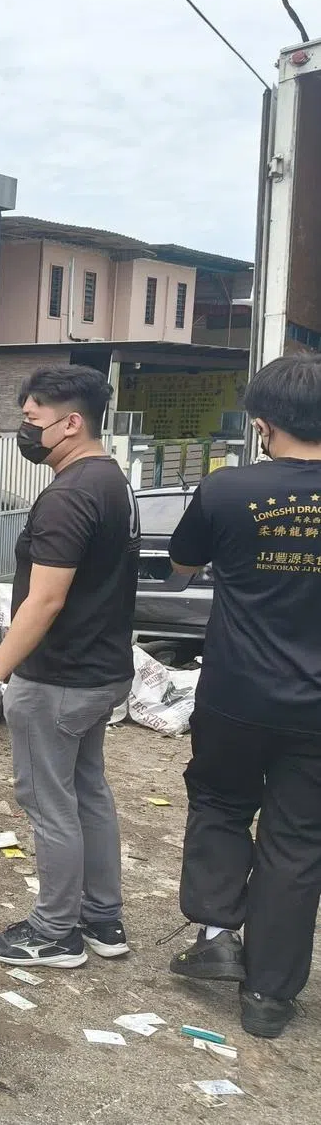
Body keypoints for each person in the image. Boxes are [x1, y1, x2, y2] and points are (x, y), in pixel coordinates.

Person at [0, 366, 138, 969]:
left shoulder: (70, 495)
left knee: (48, 801)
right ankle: (102, 919)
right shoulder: (113, 481)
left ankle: (55, 932)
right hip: (103, 670)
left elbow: (46, 599)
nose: (24, 431)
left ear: (71, 422)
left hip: (58, 677)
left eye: (32, 421)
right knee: (88, 793)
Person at [165, 355, 321, 1039]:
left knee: (223, 805)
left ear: (262, 424)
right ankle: (267, 997)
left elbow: (181, 563)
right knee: (298, 841)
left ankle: (217, 934)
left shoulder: (227, 491)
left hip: (235, 691)